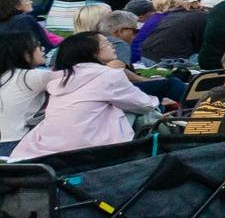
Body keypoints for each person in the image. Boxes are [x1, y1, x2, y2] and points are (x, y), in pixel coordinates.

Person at [8, 32, 159, 159]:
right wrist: (158, 101)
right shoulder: (108, 75)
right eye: (106, 43)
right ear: (93, 52)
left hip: (45, 145)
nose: (113, 45)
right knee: (140, 111)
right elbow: (143, 104)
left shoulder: (61, 78)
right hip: (92, 147)